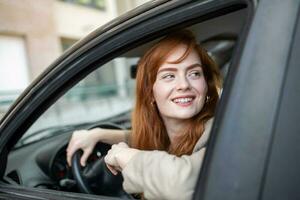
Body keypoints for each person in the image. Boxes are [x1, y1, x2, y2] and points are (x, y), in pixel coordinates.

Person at [67, 29, 222, 200]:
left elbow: (187, 185)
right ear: (149, 92)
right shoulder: (168, 134)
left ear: (206, 85)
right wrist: (99, 134)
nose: (184, 84)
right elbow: (148, 137)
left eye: (194, 73)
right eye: (169, 75)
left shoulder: (220, 131)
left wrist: (125, 156)